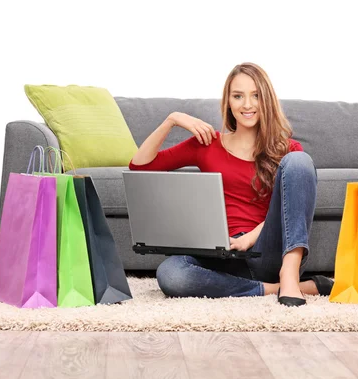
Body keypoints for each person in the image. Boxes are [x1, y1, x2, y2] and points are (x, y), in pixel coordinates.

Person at [129, 62, 333, 307]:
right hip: (223, 252)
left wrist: (251, 237)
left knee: (300, 161)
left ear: (266, 100)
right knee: (171, 274)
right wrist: (172, 120)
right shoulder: (207, 144)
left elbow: (289, 213)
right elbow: (140, 166)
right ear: (228, 102)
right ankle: (274, 289)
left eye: (255, 96)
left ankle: (289, 276)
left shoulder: (287, 149)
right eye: (238, 96)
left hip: (265, 250)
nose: (247, 105)